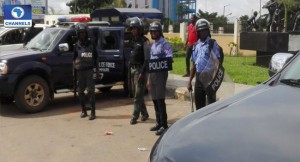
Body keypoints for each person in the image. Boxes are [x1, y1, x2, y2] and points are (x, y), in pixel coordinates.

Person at [187, 19, 221, 110]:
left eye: (205, 30)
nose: (203, 32)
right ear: (198, 32)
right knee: (199, 105)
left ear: (208, 31)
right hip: (198, 78)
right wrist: (189, 81)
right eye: (201, 30)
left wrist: (214, 78)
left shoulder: (212, 43)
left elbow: (217, 62)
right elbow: (194, 64)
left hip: (209, 77)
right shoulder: (195, 46)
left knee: (211, 104)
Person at [147, 21, 173, 135]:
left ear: (159, 32)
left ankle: (164, 124)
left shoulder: (165, 44)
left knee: (160, 99)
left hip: (161, 74)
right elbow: (150, 63)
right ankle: (158, 122)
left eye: (155, 31)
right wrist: (148, 79)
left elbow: (169, 58)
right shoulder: (153, 44)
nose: (153, 33)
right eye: (152, 31)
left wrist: (162, 61)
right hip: (152, 75)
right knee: (154, 98)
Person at [73, 23, 99, 120]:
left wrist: (97, 71)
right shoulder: (76, 46)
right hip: (80, 72)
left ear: (86, 34)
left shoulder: (91, 44)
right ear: (78, 34)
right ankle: (83, 111)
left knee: (91, 92)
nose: (82, 35)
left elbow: (96, 58)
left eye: (83, 33)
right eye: (80, 33)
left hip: (89, 71)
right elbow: (74, 59)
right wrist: (74, 71)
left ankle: (93, 112)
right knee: (80, 92)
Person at [128, 17, 150, 125]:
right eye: (132, 28)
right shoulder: (133, 41)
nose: (133, 30)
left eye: (135, 28)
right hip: (132, 70)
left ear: (140, 29)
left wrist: (142, 73)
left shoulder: (145, 41)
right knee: (137, 94)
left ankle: (135, 116)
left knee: (137, 95)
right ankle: (145, 114)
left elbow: (147, 59)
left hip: (140, 70)